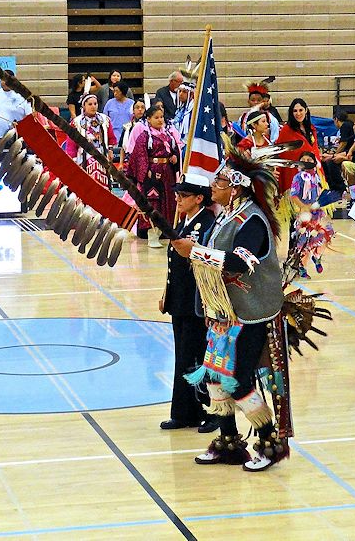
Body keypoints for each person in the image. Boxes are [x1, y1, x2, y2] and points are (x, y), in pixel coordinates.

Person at [171, 152, 288, 472]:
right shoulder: (225, 215)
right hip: (224, 312)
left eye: (220, 181)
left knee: (237, 379)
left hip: (251, 313)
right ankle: (229, 443)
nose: (214, 185)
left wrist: (195, 251)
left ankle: (269, 442)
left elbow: (240, 262)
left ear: (236, 188)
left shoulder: (252, 220)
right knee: (214, 376)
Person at [159, 174, 218, 434]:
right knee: (184, 358)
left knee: (197, 358)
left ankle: (213, 410)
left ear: (199, 199)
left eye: (184, 196)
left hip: (197, 303)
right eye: (178, 195)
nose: (178, 199)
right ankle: (185, 412)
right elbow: (176, 264)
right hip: (180, 301)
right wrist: (166, 292)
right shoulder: (186, 222)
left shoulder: (207, 225)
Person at [126, 104, 180, 247]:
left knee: (168, 203)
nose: (160, 120)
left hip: (167, 173)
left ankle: (165, 231)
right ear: (148, 119)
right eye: (156, 117)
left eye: (161, 117)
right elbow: (139, 155)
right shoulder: (144, 136)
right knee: (153, 203)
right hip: (152, 174)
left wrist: (175, 157)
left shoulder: (168, 135)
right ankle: (152, 235)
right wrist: (146, 170)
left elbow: (175, 150)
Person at [291, 151, 334, 278]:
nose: (306, 162)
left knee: (327, 233)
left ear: (314, 163)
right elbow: (293, 195)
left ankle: (317, 256)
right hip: (304, 213)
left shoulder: (317, 176)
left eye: (309, 160)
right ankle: (302, 267)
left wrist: (321, 203)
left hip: (317, 212)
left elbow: (320, 192)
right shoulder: (298, 177)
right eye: (303, 159)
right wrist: (304, 207)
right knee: (303, 240)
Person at [63, 93, 117, 188]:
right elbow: (71, 144)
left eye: (95, 104)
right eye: (90, 104)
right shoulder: (76, 122)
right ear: (84, 106)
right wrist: (74, 159)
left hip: (102, 155)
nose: (93, 106)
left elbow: (111, 137)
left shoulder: (104, 120)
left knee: (103, 182)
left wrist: (110, 149)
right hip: (84, 157)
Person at [276, 98, 323, 193]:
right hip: (295, 173)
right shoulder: (286, 130)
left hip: (314, 169)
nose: (298, 113)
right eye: (295, 111)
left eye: (301, 110)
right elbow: (282, 154)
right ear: (291, 113)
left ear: (306, 110)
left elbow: (315, 149)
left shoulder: (311, 128)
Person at [0, 70, 32, 148]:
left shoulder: (23, 94)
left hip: (18, 139)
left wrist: (21, 125)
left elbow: (31, 116)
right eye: (2, 80)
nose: (5, 82)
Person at [241, 78, 280, 142]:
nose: (256, 102)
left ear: (263, 101)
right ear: (248, 101)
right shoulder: (243, 118)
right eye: (253, 100)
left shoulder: (270, 118)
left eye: (259, 100)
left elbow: (275, 138)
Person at [118, 98, 146, 168]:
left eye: (142, 107)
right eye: (137, 107)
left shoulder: (149, 127)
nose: (140, 109)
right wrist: (121, 163)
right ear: (133, 110)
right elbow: (122, 147)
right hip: (130, 160)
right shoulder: (127, 127)